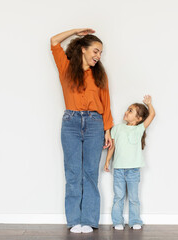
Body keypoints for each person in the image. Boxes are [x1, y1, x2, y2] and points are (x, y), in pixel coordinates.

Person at [50, 28, 113, 233]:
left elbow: (106, 103)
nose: (98, 56)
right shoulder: (66, 69)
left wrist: (107, 131)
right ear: (83, 50)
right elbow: (53, 41)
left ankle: (89, 220)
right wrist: (77, 31)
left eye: (100, 53)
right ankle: (74, 220)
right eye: (95, 51)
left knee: (90, 174)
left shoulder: (100, 75)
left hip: (95, 123)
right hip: (71, 123)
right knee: (73, 173)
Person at [104, 95, 155, 230]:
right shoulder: (117, 128)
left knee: (133, 198)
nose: (126, 112)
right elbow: (112, 147)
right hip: (119, 170)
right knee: (118, 197)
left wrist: (149, 104)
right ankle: (117, 221)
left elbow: (152, 115)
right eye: (127, 109)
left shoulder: (139, 129)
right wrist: (107, 160)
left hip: (133, 171)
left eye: (130, 111)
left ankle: (135, 220)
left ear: (138, 119)